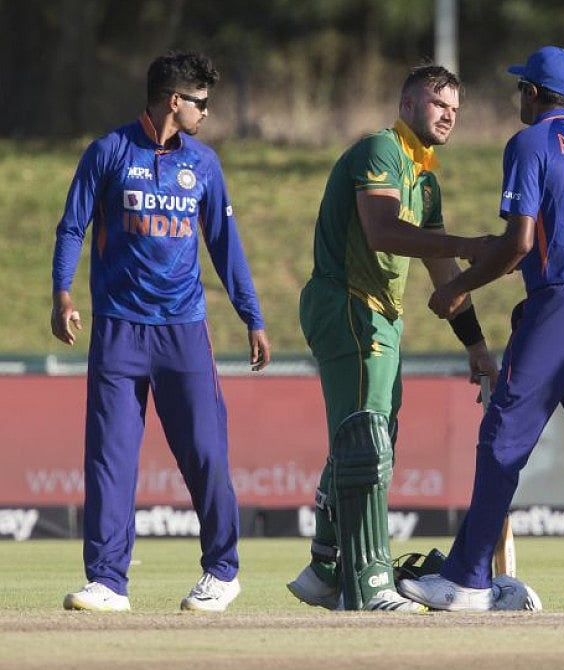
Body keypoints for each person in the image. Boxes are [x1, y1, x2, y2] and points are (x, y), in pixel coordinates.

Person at [398, 46, 564, 612]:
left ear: (534, 93)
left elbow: (520, 244)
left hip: (563, 302)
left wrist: (458, 286)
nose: (519, 96)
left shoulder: (529, 144)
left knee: (503, 436)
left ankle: (467, 579)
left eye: (522, 88)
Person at [53, 51, 271, 613]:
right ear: (175, 100)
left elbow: (225, 246)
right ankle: (107, 582)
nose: (207, 111)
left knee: (206, 453)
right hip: (118, 332)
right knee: (110, 458)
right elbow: (73, 225)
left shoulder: (204, 164)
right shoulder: (108, 152)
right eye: (201, 102)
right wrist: (63, 294)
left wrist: (253, 316)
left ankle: (222, 572)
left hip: (183, 333)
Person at [284, 64, 498, 612]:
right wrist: (472, 242)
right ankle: (368, 583)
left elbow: (441, 267)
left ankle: (326, 566)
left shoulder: (423, 177)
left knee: (371, 439)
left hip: (380, 316)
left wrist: (474, 343)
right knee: (366, 440)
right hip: (348, 303)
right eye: (436, 103)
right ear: (407, 105)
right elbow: (382, 230)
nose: (448, 114)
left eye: (454, 108)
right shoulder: (382, 150)